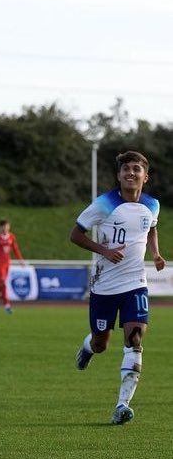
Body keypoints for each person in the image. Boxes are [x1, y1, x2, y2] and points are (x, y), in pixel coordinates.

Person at [71, 150, 164, 425]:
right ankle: (88, 347)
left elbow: (152, 228)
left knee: (135, 339)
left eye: (137, 169)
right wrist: (104, 250)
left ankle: (122, 405)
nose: (131, 173)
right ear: (119, 175)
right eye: (126, 169)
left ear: (145, 177)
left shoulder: (153, 204)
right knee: (101, 344)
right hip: (104, 286)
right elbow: (75, 234)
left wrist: (156, 253)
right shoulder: (104, 204)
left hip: (136, 284)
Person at [0, 218, 25, 314]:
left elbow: (16, 249)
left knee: (0, 285)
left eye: (6, 226)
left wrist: (21, 260)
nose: (5, 228)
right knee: (3, 284)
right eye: (3, 226)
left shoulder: (11, 237)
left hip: (7, 264)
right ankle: (7, 306)